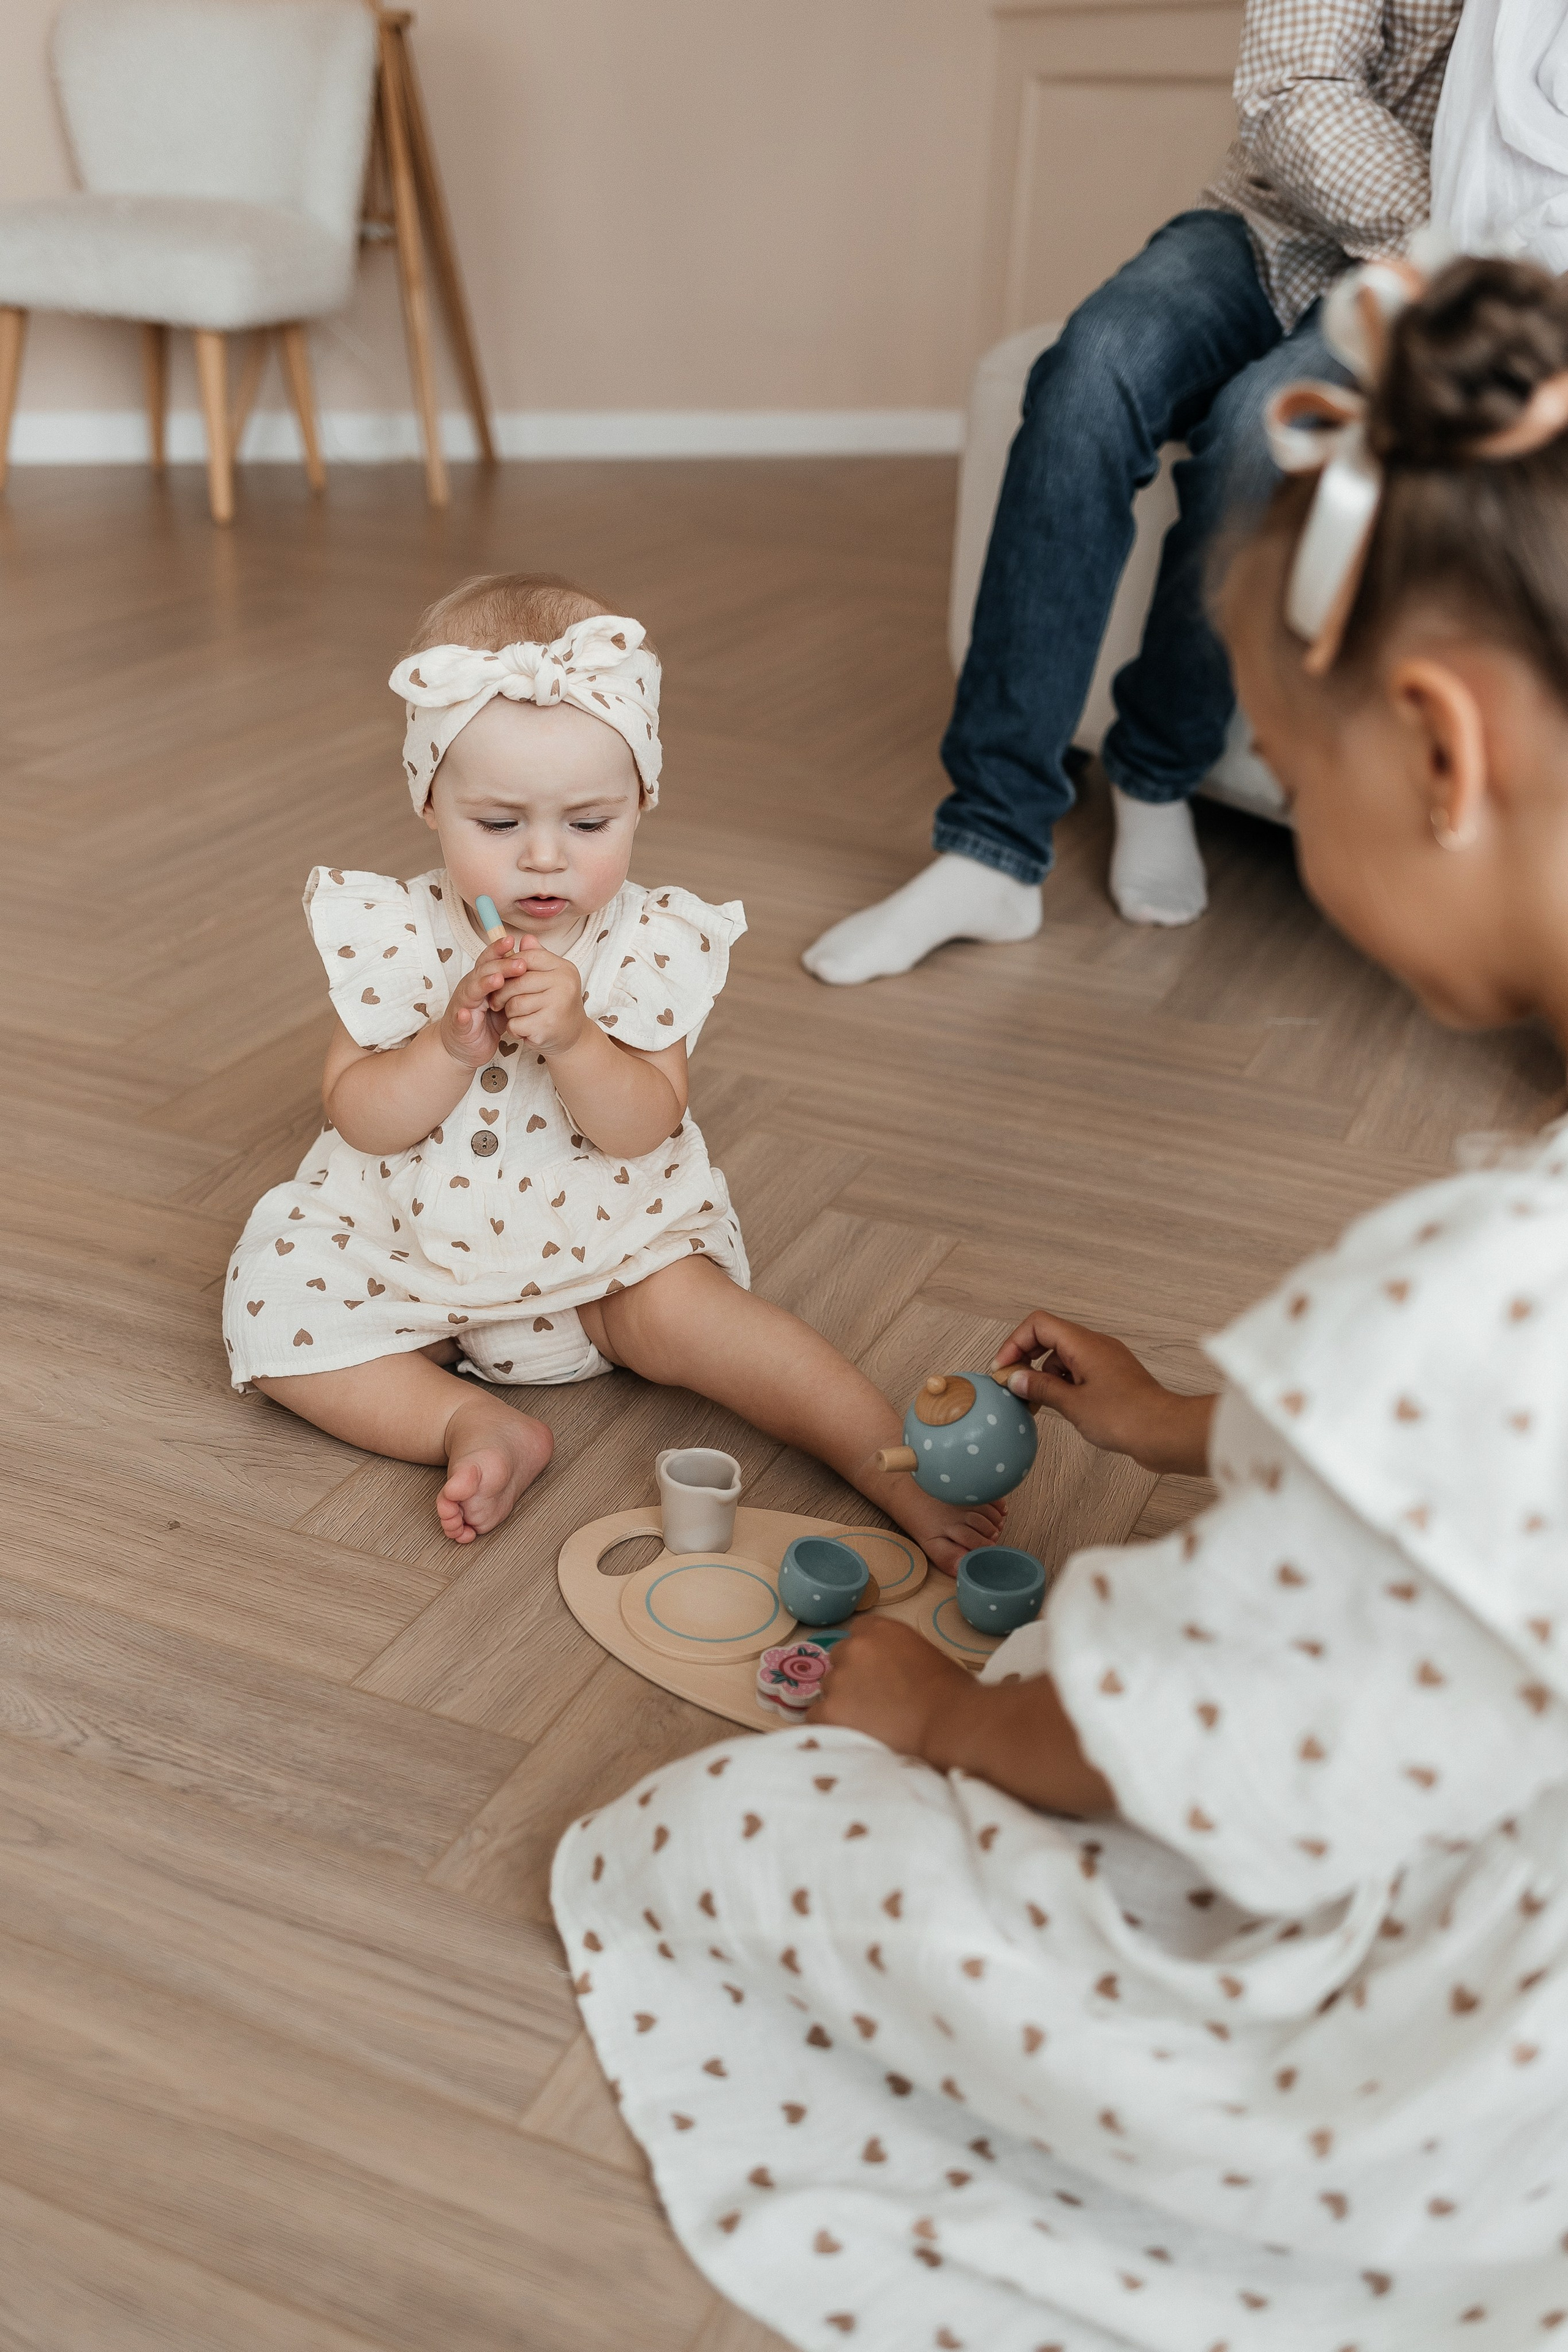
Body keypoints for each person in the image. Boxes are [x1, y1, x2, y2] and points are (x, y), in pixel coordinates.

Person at [553, 254, 1568, 2349]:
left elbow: (1160, 1737)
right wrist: (1187, 1424)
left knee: (719, 1849)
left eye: (1283, 763)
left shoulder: (1474, 1294)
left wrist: (944, 1713)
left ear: (1443, 753)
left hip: (1471, 2067)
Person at [222, 572, 1005, 1569]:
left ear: (643, 798)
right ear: (430, 802)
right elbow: (361, 1118)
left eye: (589, 825)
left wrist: (581, 1043)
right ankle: (469, 1424)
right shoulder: (392, 933)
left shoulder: (648, 944)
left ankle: (879, 1458)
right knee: (270, 1300)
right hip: (406, 1246)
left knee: (715, 1324)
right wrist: (444, 1049)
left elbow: (644, 1124)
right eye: (499, 826)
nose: (545, 861)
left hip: (610, 1251)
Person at [803, 0, 1461, 982]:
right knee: (1089, 372)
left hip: (1442, 286)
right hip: (1281, 216)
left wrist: (1480, 248)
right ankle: (989, 845)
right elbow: (1297, 84)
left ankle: (1156, 769)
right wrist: (1460, 219)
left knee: (1258, 435)